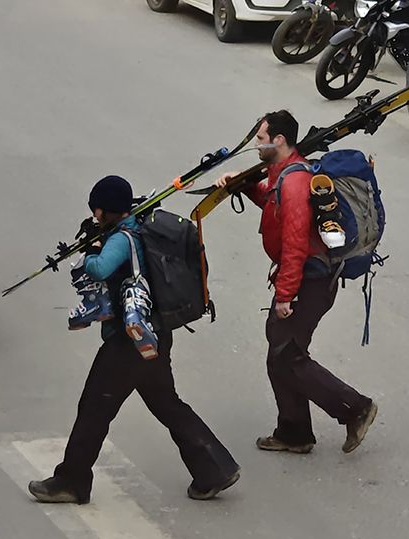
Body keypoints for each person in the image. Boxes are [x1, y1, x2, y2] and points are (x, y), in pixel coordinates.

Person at [28, 175, 241, 503]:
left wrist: (88, 254)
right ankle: (214, 470)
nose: (95, 215)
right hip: (154, 333)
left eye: (97, 209)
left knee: (94, 408)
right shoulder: (137, 223)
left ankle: (71, 480)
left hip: (127, 344)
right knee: (166, 403)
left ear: (104, 209)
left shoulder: (121, 239)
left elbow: (100, 269)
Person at [216, 110, 378, 455]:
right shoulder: (285, 174)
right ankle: (294, 432)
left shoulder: (293, 182)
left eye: (260, 139)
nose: (256, 146)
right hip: (307, 278)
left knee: (287, 355)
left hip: (310, 281)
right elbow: (272, 205)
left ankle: (355, 408)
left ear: (279, 140)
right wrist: (244, 186)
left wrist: (285, 296)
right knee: (282, 354)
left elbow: (295, 245)